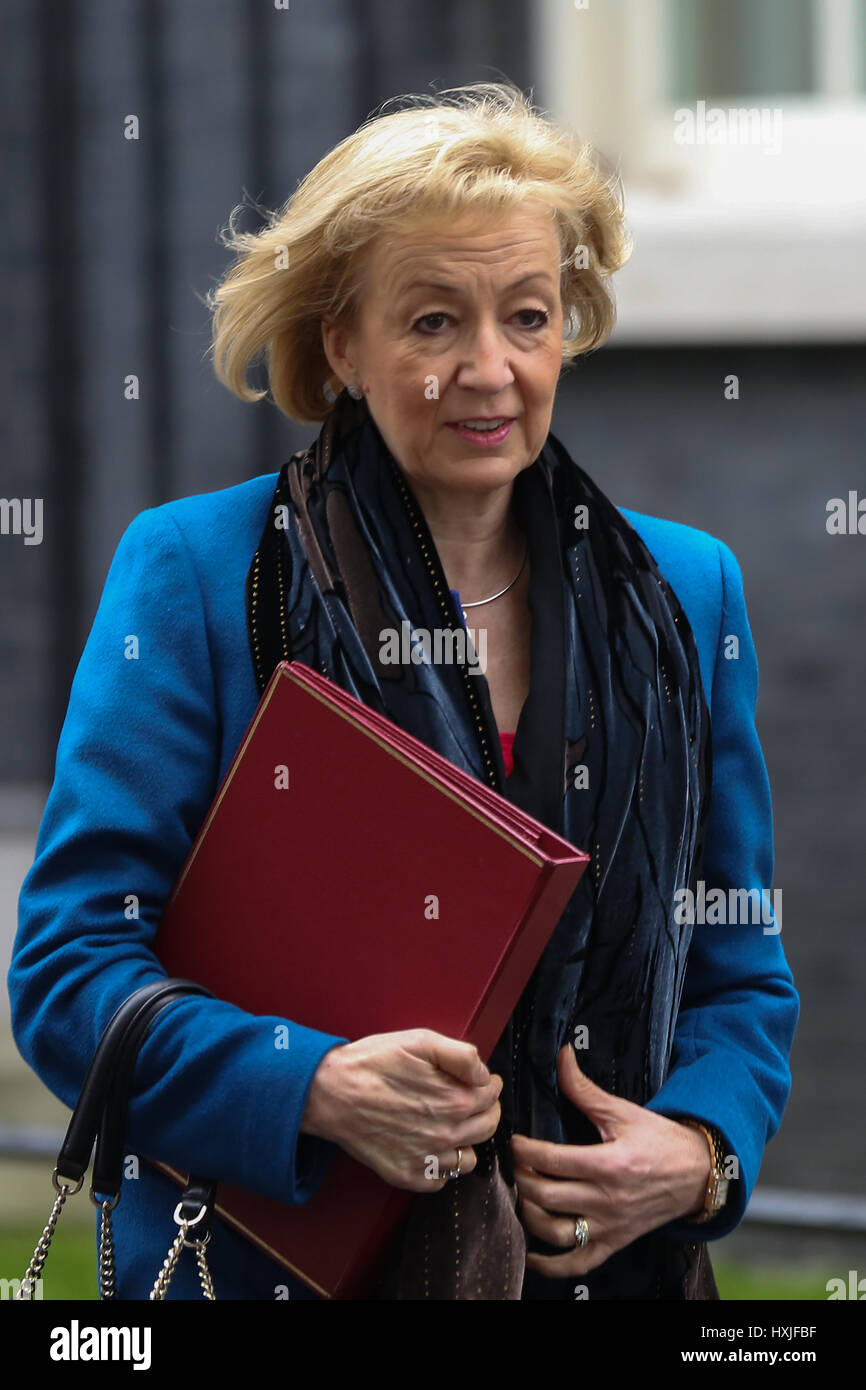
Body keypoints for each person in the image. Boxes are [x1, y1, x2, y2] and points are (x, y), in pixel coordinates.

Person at [9, 82, 799, 1300]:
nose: (488, 369)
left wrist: (697, 1154)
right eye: (432, 323)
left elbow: (737, 964)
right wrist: (308, 1085)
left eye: (527, 316)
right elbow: (69, 969)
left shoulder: (686, 592)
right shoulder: (201, 573)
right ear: (342, 344)